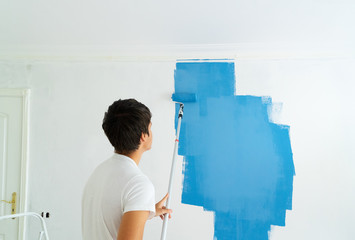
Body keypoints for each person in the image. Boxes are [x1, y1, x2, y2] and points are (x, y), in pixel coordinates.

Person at [82, 99, 172, 240]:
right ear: (143, 136)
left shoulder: (99, 173)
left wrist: (146, 209)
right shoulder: (139, 185)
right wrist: (140, 201)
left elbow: (110, 218)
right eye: (150, 127)